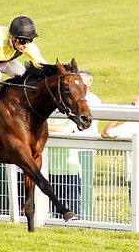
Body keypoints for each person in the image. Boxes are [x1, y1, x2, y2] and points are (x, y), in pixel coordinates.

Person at [47, 70, 101, 219]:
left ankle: (83, 221)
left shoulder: (93, 101)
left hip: (82, 150)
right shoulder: (66, 101)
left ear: (89, 84)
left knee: (81, 194)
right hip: (55, 159)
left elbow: (71, 128)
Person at [102, 95, 139, 193]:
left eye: (133, 104)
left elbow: (105, 133)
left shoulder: (131, 124)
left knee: (136, 207)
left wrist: (118, 117)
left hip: (137, 177)